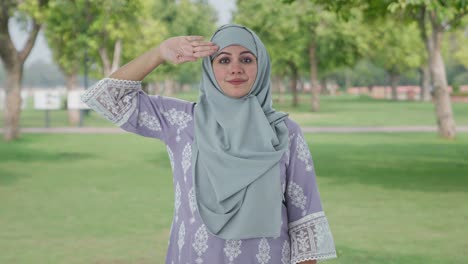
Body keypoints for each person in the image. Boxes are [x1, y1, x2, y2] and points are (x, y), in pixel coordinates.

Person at [81, 24, 337, 264]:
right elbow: (106, 97)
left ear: (262, 67)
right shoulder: (181, 122)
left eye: (246, 59)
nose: (235, 68)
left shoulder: (285, 132)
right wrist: (159, 53)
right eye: (224, 60)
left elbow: (304, 220)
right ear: (209, 68)